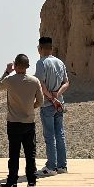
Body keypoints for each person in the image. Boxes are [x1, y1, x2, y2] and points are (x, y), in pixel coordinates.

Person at [0, 53, 42, 187]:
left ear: (15, 66)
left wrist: (7, 72)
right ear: (27, 66)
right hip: (29, 122)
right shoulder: (34, 81)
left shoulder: (10, 80)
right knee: (30, 153)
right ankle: (31, 182)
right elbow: (41, 101)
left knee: (14, 154)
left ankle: (12, 183)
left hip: (14, 122)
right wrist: (30, 107)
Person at [35, 36, 70, 175]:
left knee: (50, 136)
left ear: (40, 48)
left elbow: (41, 85)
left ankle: (51, 166)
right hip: (59, 103)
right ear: (52, 48)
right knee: (60, 134)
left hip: (48, 104)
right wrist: (57, 95)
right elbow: (66, 83)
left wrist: (50, 97)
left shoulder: (41, 63)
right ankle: (62, 165)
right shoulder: (60, 62)